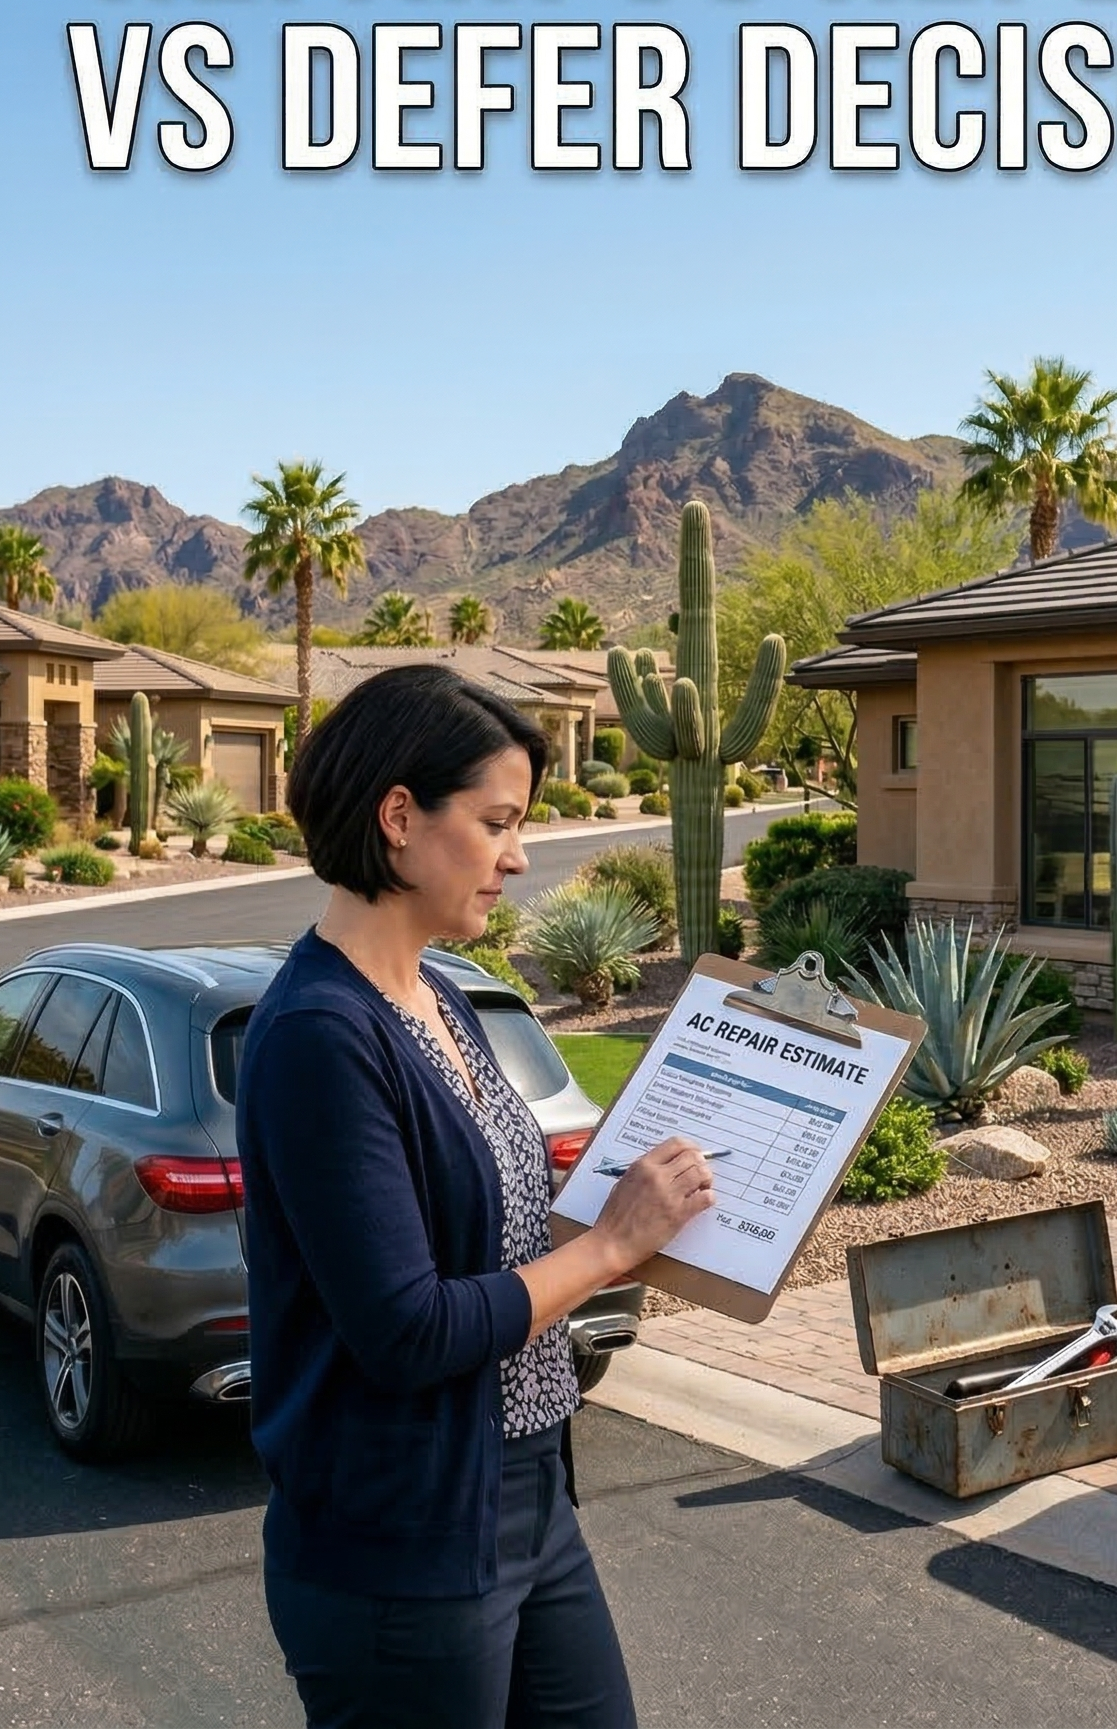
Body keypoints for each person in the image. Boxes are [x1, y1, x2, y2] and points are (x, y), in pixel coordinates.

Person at [238, 665, 714, 1728]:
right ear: (398, 817)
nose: (518, 854)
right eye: (496, 821)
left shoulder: (442, 997)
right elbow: (405, 1328)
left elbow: (490, 1226)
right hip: (401, 1543)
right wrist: (610, 1245)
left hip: (531, 1489)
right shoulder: (323, 1034)